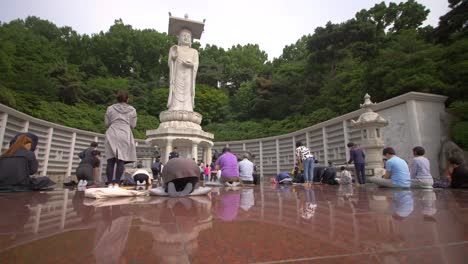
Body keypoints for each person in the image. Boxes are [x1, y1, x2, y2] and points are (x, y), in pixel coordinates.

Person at [104, 90, 137, 188]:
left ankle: (110, 183)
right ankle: (117, 184)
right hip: (125, 133)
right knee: (120, 160)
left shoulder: (110, 108)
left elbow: (106, 124)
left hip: (112, 132)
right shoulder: (132, 110)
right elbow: (133, 125)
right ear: (127, 99)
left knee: (110, 160)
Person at [167, 29, 199, 112]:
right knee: (176, 90)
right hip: (178, 74)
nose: (186, 38)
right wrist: (173, 58)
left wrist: (191, 64)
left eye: (188, 36)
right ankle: (175, 106)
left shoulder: (194, 51)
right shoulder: (175, 48)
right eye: (183, 35)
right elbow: (170, 62)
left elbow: (196, 64)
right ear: (179, 38)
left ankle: (188, 107)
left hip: (189, 75)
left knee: (188, 91)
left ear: (191, 39)